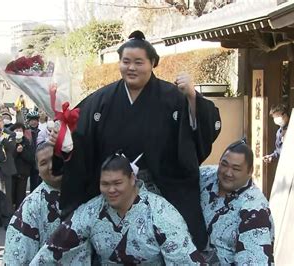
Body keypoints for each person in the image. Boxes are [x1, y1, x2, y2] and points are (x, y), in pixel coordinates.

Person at [51, 30, 221, 250]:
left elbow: (203, 130)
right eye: (126, 61)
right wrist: (64, 141)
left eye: (138, 62)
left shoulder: (173, 97)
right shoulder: (100, 100)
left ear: (152, 63)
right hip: (111, 193)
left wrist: (192, 97)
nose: (131, 68)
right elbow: (79, 139)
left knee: (177, 243)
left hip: (161, 191)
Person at [31, 152, 205, 265]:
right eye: (105, 184)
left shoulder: (161, 212)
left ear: (131, 179)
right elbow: (56, 247)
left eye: (117, 183)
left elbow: (184, 259)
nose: (111, 190)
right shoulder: (92, 210)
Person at [199, 140, 275, 264]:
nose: (228, 172)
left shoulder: (254, 210)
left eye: (236, 168)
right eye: (224, 164)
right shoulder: (207, 176)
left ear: (250, 172)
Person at [3, 143, 63, 265]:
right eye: (43, 163)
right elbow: (16, 259)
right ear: (38, 172)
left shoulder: (86, 193)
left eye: (55, 159)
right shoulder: (31, 206)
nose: (51, 166)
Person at [10, 123, 34, 209]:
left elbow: (31, 158)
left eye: (20, 130)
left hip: (23, 173)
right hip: (11, 173)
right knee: (10, 194)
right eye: (16, 130)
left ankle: (19, 211)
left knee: (21, 195)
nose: (18, 132)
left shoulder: (27, 142)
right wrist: (16, 151)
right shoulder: (9, 142)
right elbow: (8, 158)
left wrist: (22, 152)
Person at [26, 111, 41, 192]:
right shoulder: (26, 132)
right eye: (31, 120)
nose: (33, 122)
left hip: (38, 160)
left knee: (37, 182)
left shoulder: (41, 132)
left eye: (35, 120)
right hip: (28, 160)